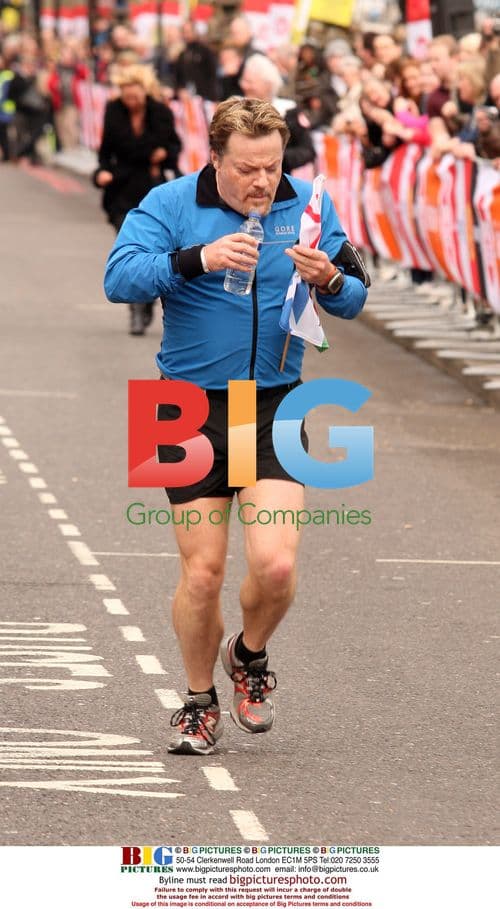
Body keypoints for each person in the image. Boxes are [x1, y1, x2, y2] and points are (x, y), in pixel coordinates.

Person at [104, 97, 369, 755]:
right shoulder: (170, 204)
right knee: (202, 572)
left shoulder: (308, 205)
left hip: (278, 402)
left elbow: (358, 295)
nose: (262, 182)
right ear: (215, 157)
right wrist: (197, 258)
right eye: (248, 168)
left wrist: (331, 279)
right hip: (181, 406)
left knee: (276, 566)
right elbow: (119, 279)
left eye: (273, 167)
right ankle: (197, 702)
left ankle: (248, 654)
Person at [94, 64, 181, 336]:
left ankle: (145, 303)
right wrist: (102, 172)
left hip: (152, 189)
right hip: (121, 188)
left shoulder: (161, 113)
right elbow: (106, 149)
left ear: (145, 92)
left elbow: (174, 148)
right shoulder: (114, 111)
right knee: (129, 248)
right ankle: (136, 308)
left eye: (135, 96)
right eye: (126, 96)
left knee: (151, 250)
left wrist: (162, 154)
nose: (130, 102)